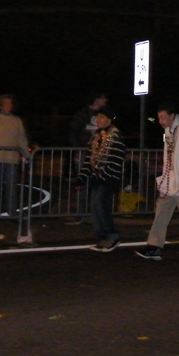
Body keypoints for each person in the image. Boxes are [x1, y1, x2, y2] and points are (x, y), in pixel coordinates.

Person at [136, 103, 179, 261]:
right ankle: (154, 247)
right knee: (161, 213)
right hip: (171, 184)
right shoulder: (168, 131)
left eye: (163, 117)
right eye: (159, 117)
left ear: (172, 116)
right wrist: (164, 182)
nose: (160, 121)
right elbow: (169, 159)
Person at [76, 106, 126, 251]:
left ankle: (112, 236)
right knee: (95, 207)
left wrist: (103, 177)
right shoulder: (98, 136)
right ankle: (102, 237)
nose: (99, 120)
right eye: (98, 117)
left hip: (107, 179)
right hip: (96, 178)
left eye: (102, 117)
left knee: (101, 206)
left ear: (109, 120)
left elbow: (115, 161)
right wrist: (82, 178)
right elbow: (90, 160)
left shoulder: (115, 136)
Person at [67, 92, 109, 223]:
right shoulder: (82, 114)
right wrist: (78, 148)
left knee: (98, 183)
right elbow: (73, 132)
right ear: (97, 99)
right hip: (84, 151)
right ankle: (81, 214)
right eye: (103, 98)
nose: (106, 100)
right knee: (83, 183)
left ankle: (96, 212)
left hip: (99, 152)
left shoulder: (106, 114)